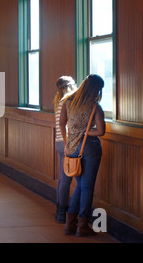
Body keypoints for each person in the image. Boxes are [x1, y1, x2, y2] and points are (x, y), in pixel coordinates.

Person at [59, 74, 106, 237]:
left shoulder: (69, 101)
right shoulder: (95, 106)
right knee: (87, 187)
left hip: (72, 148)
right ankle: (82, 225)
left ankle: (70, 225)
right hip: (90, 148)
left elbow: (61, 123)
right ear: (96, 89)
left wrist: (67, 143)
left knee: (79, 185)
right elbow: (101, 131)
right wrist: (86, 131)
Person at [54, 76, 77, 223]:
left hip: (58, 142)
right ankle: (62, 212)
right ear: (70, 86)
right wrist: (69, 143)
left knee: (62, 179)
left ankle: (59, 210)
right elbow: (67, 125)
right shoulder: (69, 102)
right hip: (66, 142)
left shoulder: (58, 101)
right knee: (66, 180)